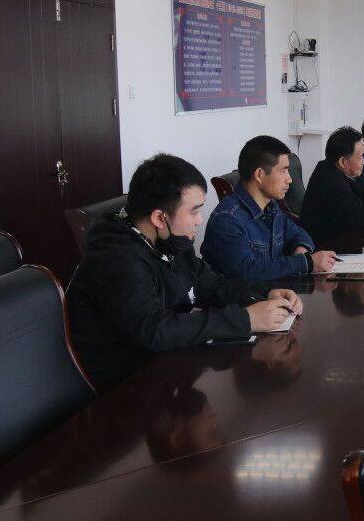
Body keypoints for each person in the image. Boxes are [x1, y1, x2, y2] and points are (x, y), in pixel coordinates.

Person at [66, 154, 303, 390]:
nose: (199, 220)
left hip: (167, 367)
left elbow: (213, 286)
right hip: (123, 387)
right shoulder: (115, 259)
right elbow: (155, 329)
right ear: (159, 218)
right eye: (193, 211)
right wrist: (245, 320)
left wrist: (266, 292)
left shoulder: (169, 241)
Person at [202, 135, 338, 279]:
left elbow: (299, 234)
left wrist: (301, 250)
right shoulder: (227, 219)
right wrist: (306, 262)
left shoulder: (271, 206)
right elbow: (246, 271)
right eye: (283, 171)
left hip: (276, 290)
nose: (290, 179)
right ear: (259, 175)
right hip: (249, 294)